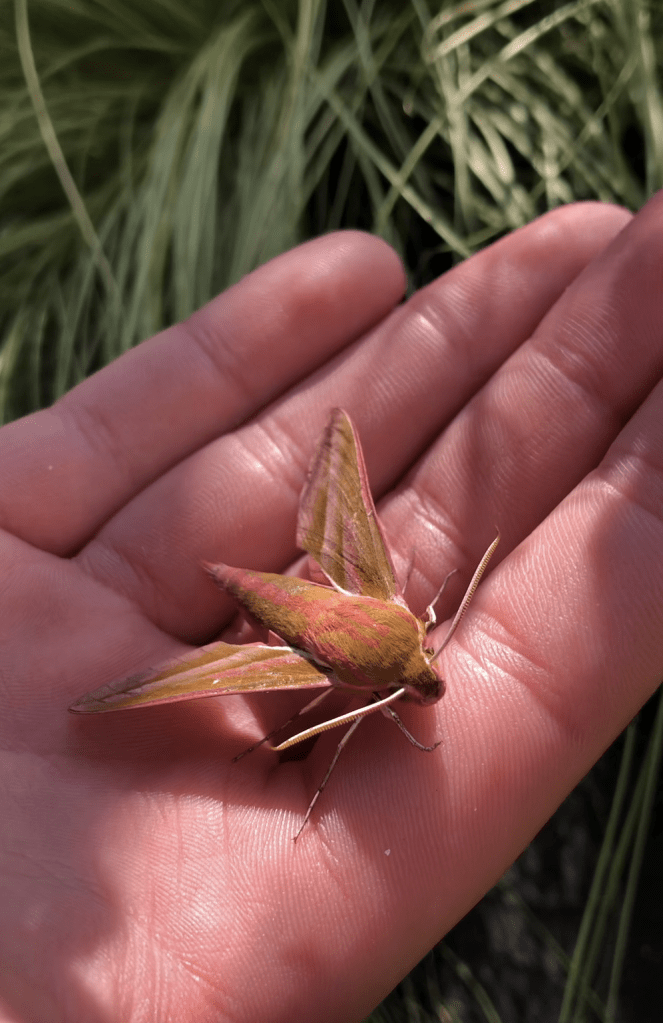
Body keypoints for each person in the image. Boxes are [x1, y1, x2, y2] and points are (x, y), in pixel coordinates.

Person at [0, 195, 658, 1023]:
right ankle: (161, 669)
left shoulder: (397, 617)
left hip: (334, 595)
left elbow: (340, 704)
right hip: (303, 628)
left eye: (419, 676)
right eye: (423, 674)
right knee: (263, 684)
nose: (427, 677)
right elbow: (321, 715)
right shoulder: (377, 658)